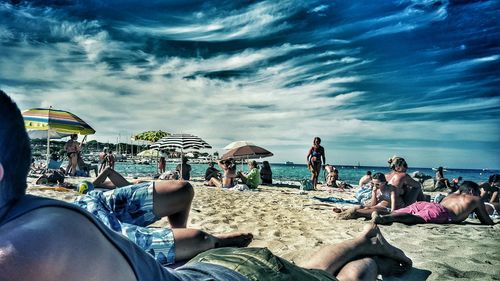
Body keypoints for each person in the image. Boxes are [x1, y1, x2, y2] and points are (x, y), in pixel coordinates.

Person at [1, 90, 414, 281]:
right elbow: (176, 191)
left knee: (326, 275)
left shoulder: (22, 249)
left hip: (234, 276)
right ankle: (366, 244)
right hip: (208, 268)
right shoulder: (41, 225)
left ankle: (367, 245)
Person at [74, 167, 252, 264]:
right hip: (91, 228)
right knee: (201, 239)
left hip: (91, 203)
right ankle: (209, 242)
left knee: (184, 190)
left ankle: (178, 232)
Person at [372, 181, 495, 225]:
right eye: (478, 192)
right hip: (441, 212)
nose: (479, 195)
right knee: (416, 218)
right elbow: (486, 221)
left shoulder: (452, 195)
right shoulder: (475, 199)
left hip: (427, 204)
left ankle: (361, 212)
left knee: (395, 212)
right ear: (472, 191)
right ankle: (384, 218)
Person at [334, 173, 405, 220]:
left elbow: (393, 203)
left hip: (387, 209)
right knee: (363, 207)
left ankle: (349, 212)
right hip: (379, 206)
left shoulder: (391, 189)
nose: (375, 186)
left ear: (384, 182)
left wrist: (392, 213)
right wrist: (374, 192)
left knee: (369, 210)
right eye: (373, 184)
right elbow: (373, 204)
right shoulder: (376, 190)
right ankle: (346, 210)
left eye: (377, 184)